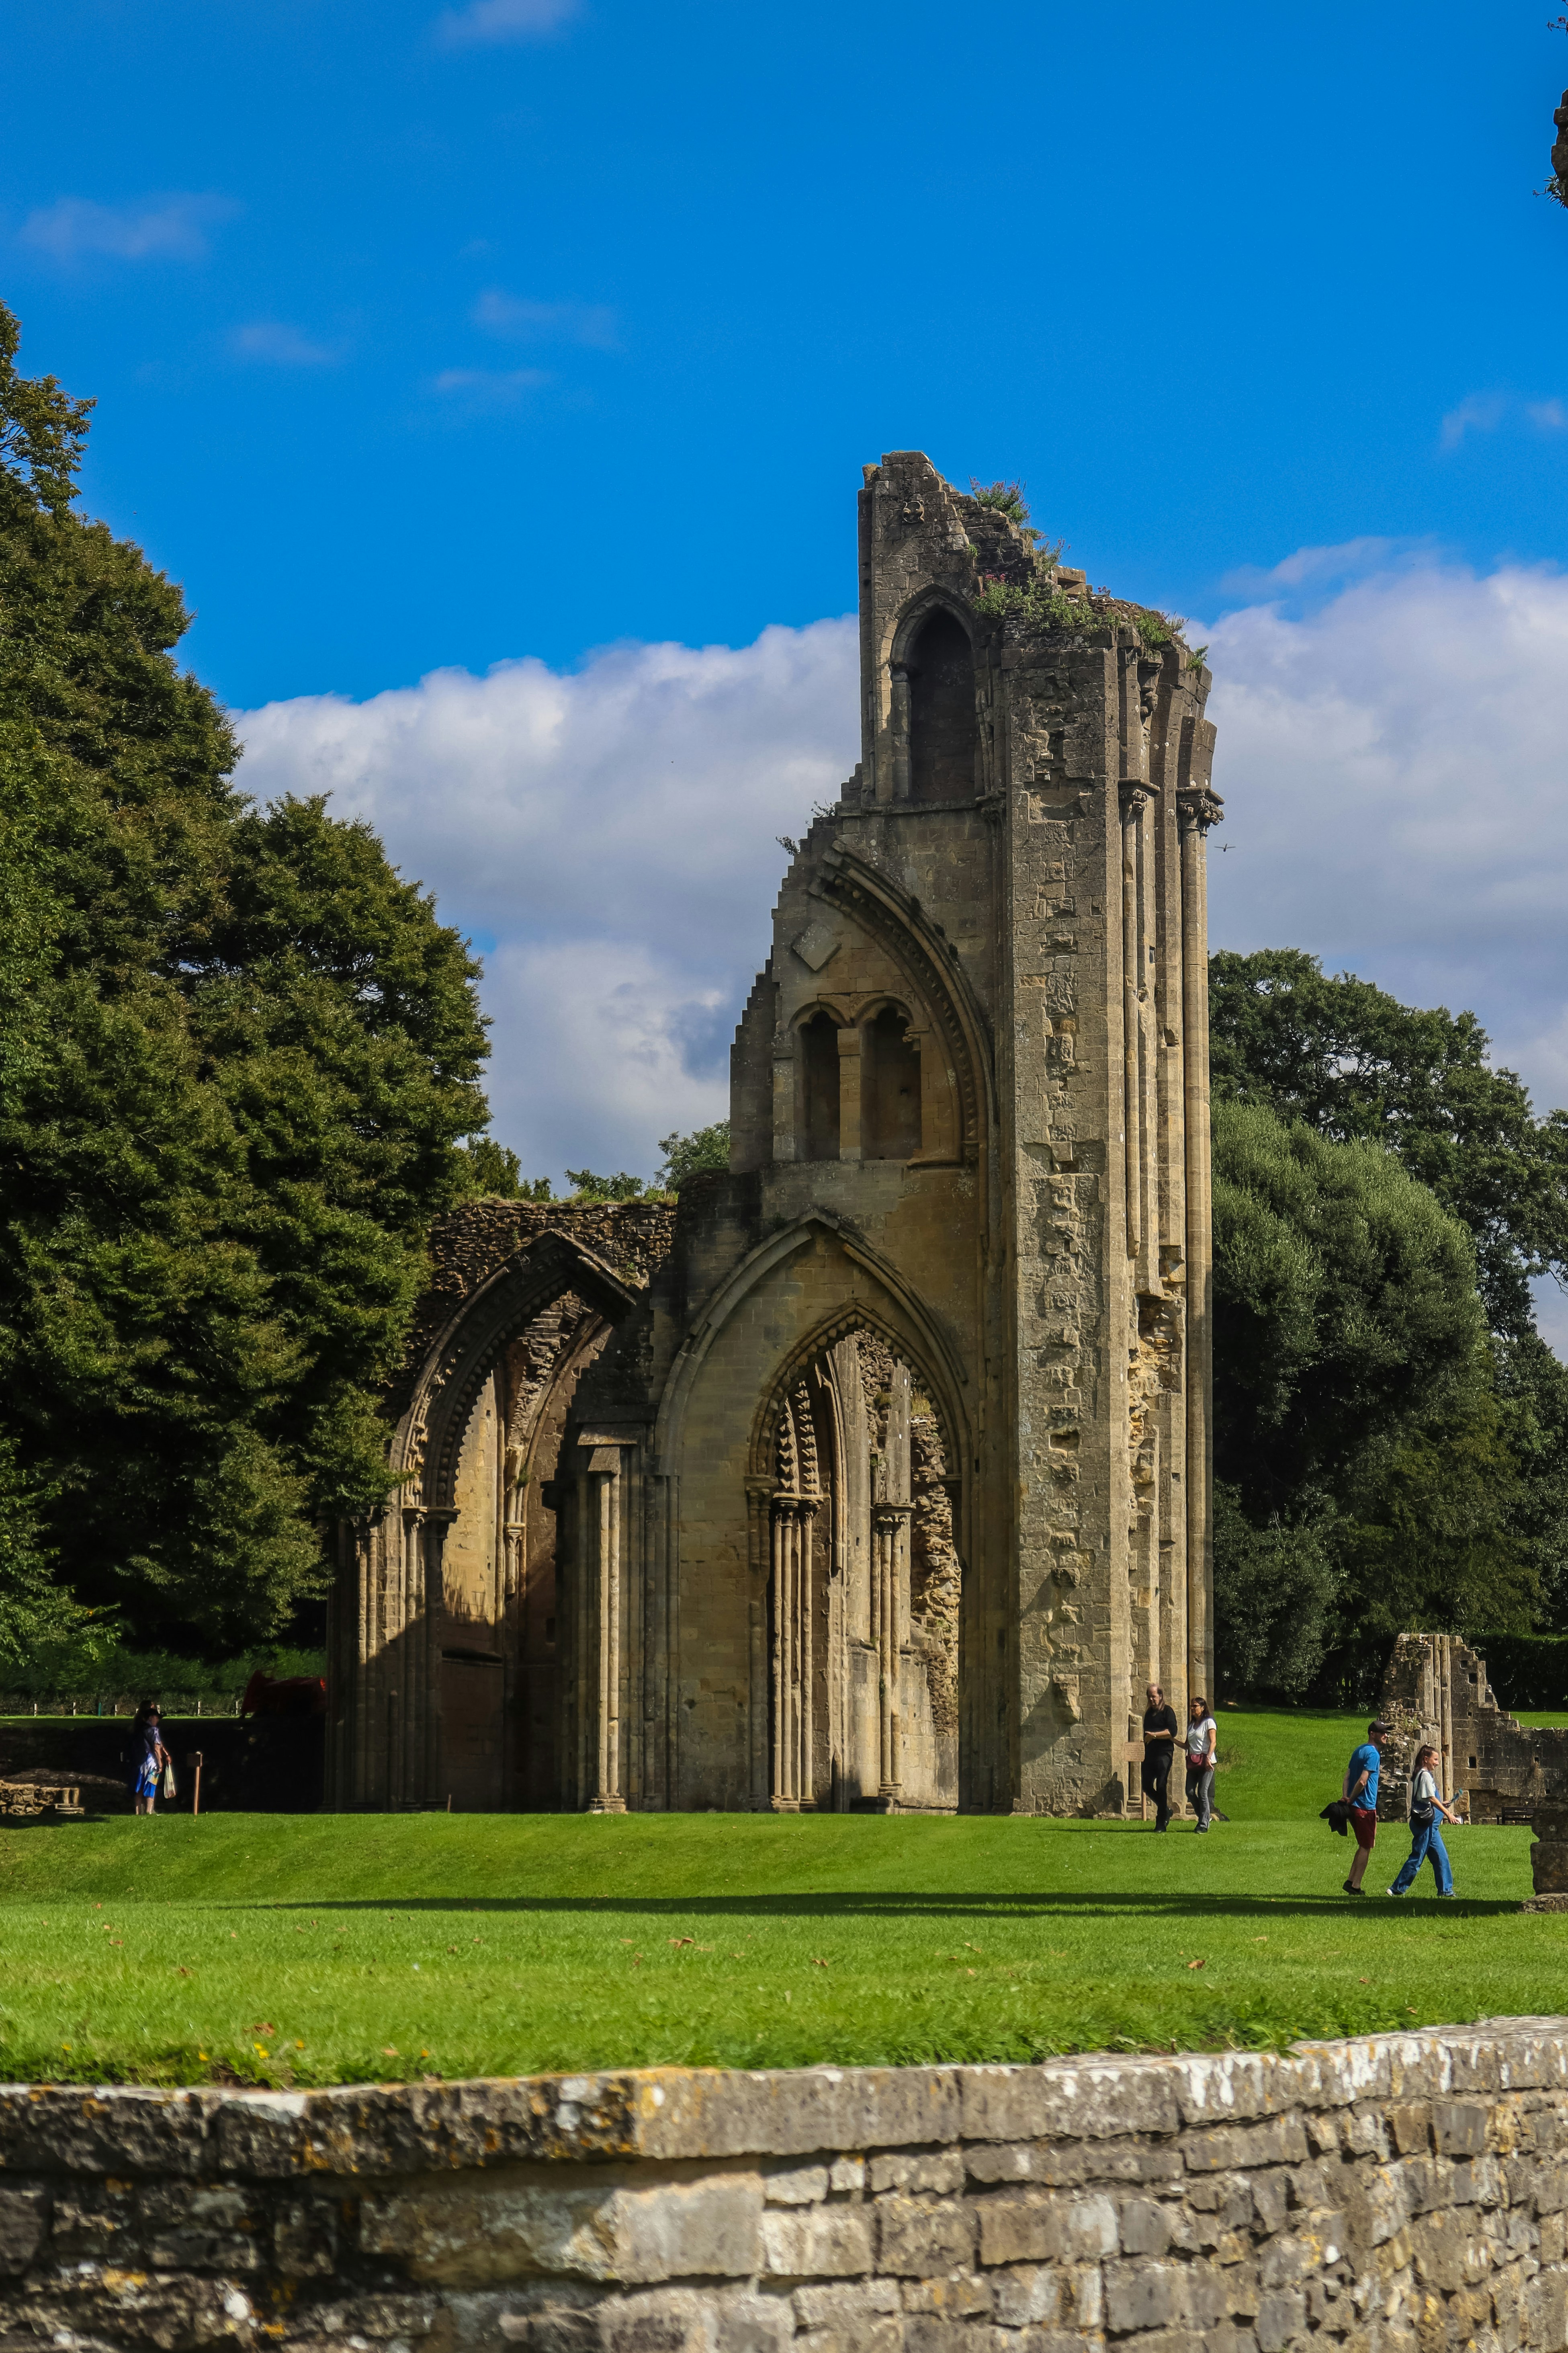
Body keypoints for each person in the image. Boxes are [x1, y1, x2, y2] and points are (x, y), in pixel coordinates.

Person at [1388, 1744, 1460, 1898]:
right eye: (1435, 1760)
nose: (1438, 1763)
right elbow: (1430, 1798)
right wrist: (1448, 1814)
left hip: (1431, 1827)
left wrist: (1443, 1804)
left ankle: (1446, 1891)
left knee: (1441, 1857)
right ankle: (1396, 1889)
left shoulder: (1423, 1774)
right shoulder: (1425, 1775)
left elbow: (1426, 1798)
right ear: (1426, 1759)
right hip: (1426, 1825)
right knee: (1417, 1857)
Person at [1341, 1719, 1389, 1894]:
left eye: (1387, 1732)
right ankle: (1356, 1886)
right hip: (1364, 1807)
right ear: (1372, 1734)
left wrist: (1346, 1797)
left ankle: (1351, 1880)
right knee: (1366, 1847)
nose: (1386, 1735)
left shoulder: (1359, 1751)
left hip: (1355, 1806)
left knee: (1363, 1845)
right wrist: (1352, 1799)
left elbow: (1347, 1776)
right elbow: (1362, 1781)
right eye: (1383, 1733)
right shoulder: (1374, 1754)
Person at [1141, 1682, 1178, 1830]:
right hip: (1150, 1754)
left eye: (1154, 1696)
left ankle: (1160, 1821)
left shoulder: (1168, 1711)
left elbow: (1172, 1732)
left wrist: (1155, 1736)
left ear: (1161, 1696)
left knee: (1162, 1785)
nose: (1152, 1699)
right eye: (1149, 1697)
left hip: (1164, 1754)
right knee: (1147, 1787)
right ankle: (1166, 1810)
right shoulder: (1149, 1714)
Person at [1185, 1695, 1217, 1831]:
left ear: (1203, 1708)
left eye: (1195, 1706)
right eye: (1192, 1706)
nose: (1192, 1708)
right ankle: (1205, 1816)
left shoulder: (1209, 1722)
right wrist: (1170, 1739)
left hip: (1206, 1763)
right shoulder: (1192, 1725)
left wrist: (1208, 1758)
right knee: (1190, 1792)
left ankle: (1203, 1825)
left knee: (1202, 1793)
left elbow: (1213, 1742)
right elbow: (1187, 1745)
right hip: (1193, 1762)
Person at [129, 1702, 167, 1817]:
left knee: (139, 1788)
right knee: (151, 1787)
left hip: (140, 1762)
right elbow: (156, 1748)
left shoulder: (139, 1729)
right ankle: (149, 1811)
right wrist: (160, 1764)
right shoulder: (154, 1730)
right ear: (151, 1718)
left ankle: (137, 1813)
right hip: (151, 1763)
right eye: (156, 1718)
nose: (158, 1720)